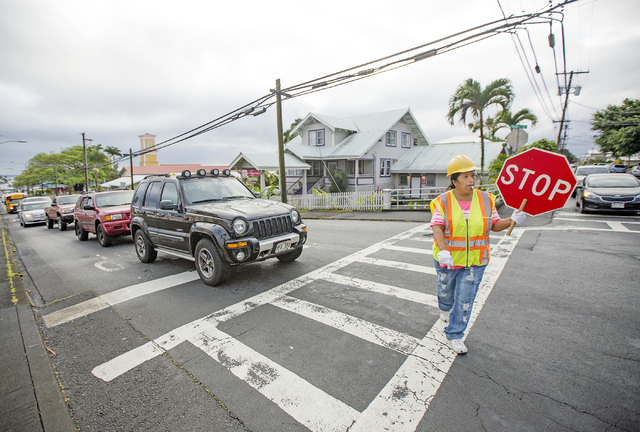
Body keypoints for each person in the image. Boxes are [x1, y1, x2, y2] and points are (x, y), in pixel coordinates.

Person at [430, 155, 525, 354]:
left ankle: (455, 335)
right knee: (446, 291)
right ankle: (445, 309)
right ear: (454, 181)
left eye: (472, 175)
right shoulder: (444, 201)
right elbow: (437, 227)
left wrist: (512, 219)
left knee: (465, 300)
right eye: (465, 176)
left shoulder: (485, 199)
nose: (471, 180)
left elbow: (495, 226)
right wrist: (444, 251)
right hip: (448, 259)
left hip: (475, 261)